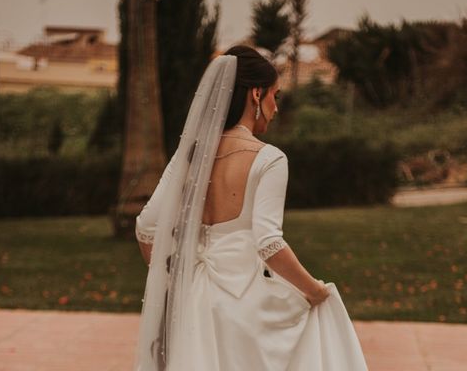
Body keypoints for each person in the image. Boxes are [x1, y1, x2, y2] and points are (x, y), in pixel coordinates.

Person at [133, 46, 368, 371]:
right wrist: (315, 291)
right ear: (256, 95)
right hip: (244, 304)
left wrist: (170, 277)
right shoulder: (269, 158)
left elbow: (146, 227)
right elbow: (269, 243)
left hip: (192, 303)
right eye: (276, 95)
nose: (275, 107)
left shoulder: (189, 157)